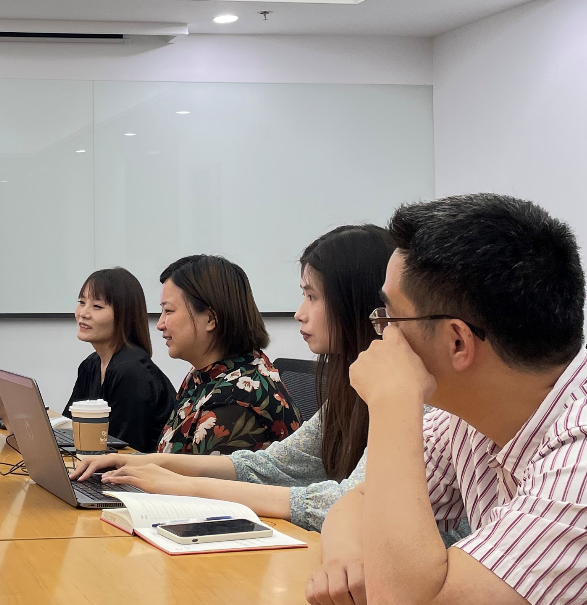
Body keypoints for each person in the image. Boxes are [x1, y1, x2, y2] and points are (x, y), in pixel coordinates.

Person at [306, 194, 587, 605]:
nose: (382, 335)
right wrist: (347, 562)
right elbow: (357, 502)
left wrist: (393, 399)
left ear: (457, 341)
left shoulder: (580, 458)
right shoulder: (467, 414)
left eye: (389, 317)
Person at [73, 226, 400, 531]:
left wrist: (180, 483)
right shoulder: (350, 388)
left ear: (354, 302)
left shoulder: (241, 393)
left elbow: (347, 502)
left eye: (311, 296)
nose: (299, 313)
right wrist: (142, 463)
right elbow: (271, 465)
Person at [152, 254, 300, 454]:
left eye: (168, 311)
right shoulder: (203, 375)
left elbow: (195, 474)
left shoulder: (237, 399)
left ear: (210, 319)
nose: (160, 324)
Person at [62, 268, 176, 453]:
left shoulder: (131, 372)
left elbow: (125, 451)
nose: (83, 313)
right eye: (81, 302)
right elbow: (69, 427)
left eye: (97, 306)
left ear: (124, 315)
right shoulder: (90, 365)